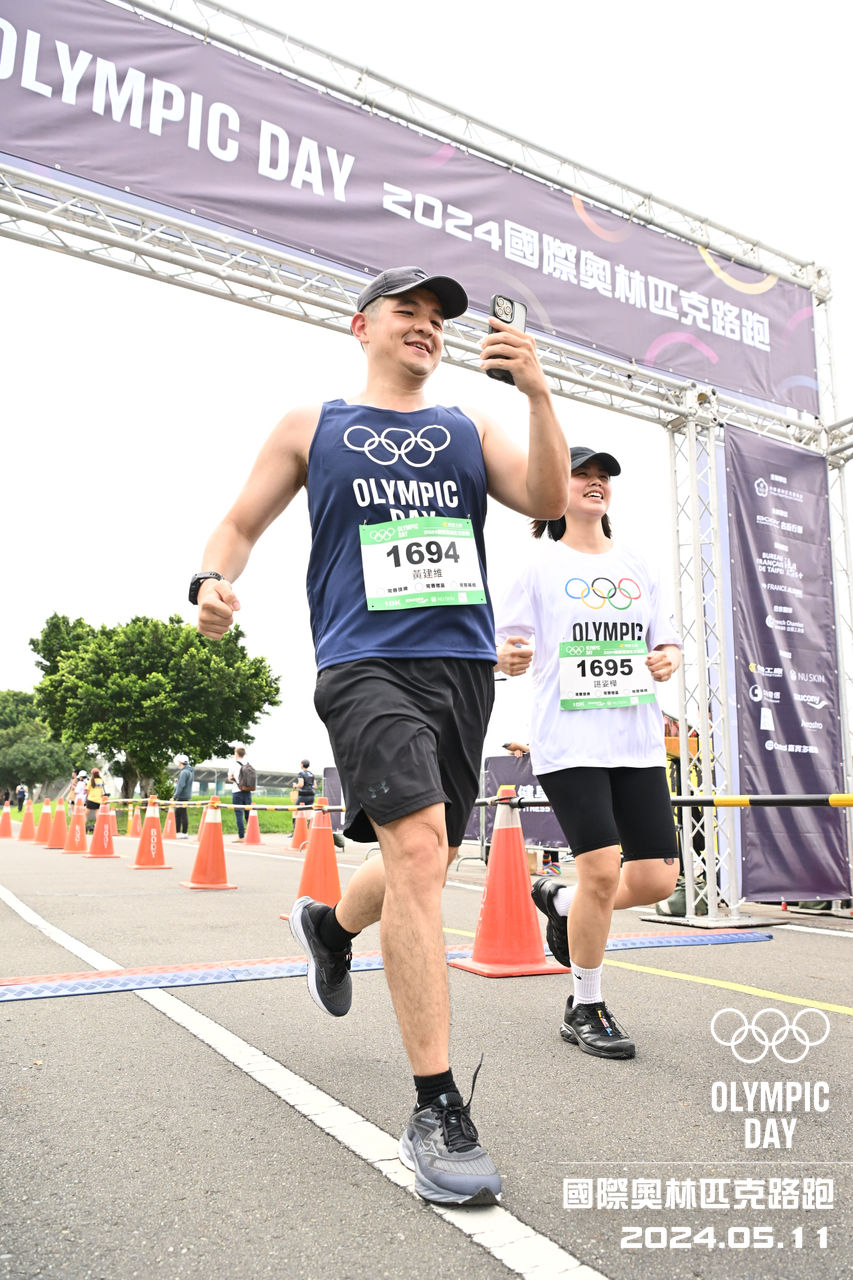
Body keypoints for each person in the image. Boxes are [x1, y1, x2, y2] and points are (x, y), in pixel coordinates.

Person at [192, 264, 569, 1206]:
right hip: (364, 663)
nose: (427, 325)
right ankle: (436, 1105)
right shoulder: (312, 425)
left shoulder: (467, 427)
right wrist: (209, 581)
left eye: (438, 316)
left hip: (462, 667)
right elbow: (238, 524)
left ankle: (329, 924)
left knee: (423, 858)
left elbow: (546, 500)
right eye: (408, 310)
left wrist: (536, 393)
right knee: (417, 845)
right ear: (360, 326)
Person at [495, 445, 681, 1061]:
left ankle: (563, 901)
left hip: (637, 742)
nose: (595, 483)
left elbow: (666, 645)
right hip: (570, 742)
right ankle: (586, 1004)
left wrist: (666, 660)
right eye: (582, 475)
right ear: (556, 490)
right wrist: (508, 657)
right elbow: (503, 645)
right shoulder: (536, 566)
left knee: (655, 879)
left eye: (603, 477)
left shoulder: (638, 564)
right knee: (602, 870)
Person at [226, 746, 253, 840]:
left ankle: (241, 836)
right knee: (248, 814)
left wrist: (234, 778)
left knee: (239, 814)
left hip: (237, 791)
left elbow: (230, 778)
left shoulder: (233, 764)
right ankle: (251, 836)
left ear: (236, 754)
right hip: (248, 791)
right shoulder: (248, 764)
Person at [173, 754, 193, 838]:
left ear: (180, 762)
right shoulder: (189, 771)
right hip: (186, 795)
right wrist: (179, 781)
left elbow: (181, 786)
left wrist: (174, 797)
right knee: (179, 814)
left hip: (182, 796)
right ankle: (179, 832)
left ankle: (183, 833)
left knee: (181, 814)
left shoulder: (184, 772)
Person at [84, 768, 104, 833]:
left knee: (85, 814)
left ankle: (83, 826)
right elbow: (101, 790)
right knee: (97, 813)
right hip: (98, 800)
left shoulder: (90, 781)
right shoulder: (101, 780)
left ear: (92, 774)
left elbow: (87, 790)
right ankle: (97, 826)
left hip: (91, 799)